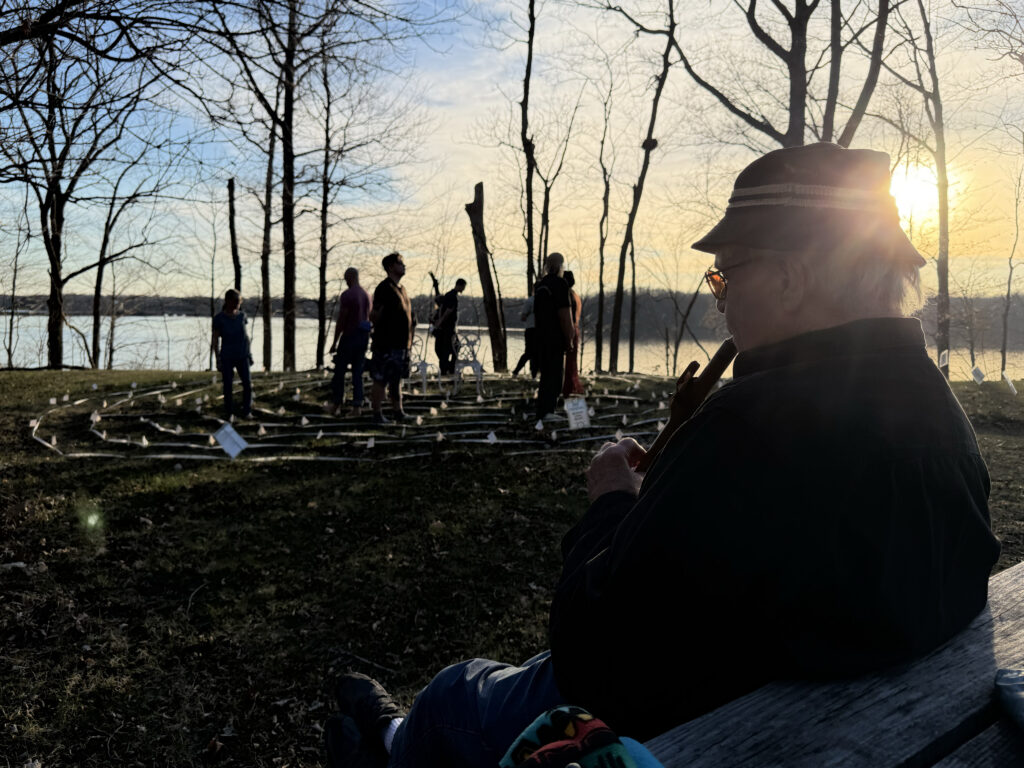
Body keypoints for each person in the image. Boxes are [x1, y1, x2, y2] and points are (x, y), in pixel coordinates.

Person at [325, 143, 1000, 767]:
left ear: (791, 280)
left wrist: (611, 500)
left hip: (687, 711)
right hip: (810, 684)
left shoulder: (754, 424)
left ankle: (383, 746)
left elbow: (590, 649)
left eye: (727, 278)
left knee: (454, 695)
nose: (724, 303)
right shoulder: (930, 402)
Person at [368, 252, 415, 424]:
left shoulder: (402, 289)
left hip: (402, 345)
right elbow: (374, 315)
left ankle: (398, 411)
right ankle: (377, 414)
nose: (404, 266)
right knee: (381, 378)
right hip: (386, 344)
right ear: (390, 267)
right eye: (400, 263)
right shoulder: (384, 288)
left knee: (396, 379)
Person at [532, 252, 574, 420]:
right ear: (560, 266)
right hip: (555, 338)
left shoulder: (540, 286)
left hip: (540, 336)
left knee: (545, 375)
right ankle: (549, 411)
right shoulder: (560, 285)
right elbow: (565, 315)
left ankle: (543, 410)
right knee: (555, 376)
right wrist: (569, 338)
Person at [328, 267, 372, 416]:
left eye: (346, 278)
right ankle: (357, 407)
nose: (345, 281)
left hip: (350, 336)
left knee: (339, 371)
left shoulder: (348, 295)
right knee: (357, 372)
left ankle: (336, 404)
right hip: (363, 337)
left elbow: (342, 319)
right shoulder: (367, 295)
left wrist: (335, 342)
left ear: (351, 277)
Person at [210, 288, 253, 420]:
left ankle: (247, 411)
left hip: (242, 355)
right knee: (228, 385)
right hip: (227, 356)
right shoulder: (219, 319)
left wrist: (249, 353)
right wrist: (217, 359)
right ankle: (229, 412)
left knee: (247, 383)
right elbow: (215, 340)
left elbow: (245, 336)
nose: (237, 304)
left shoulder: (242, 316)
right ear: (228, 301)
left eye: (239, 302)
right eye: (235, 301)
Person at [433, 278, 466, 375]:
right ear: (459, 285)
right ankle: (448, 368)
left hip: (446, 327)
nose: (463, 289)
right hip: (448, 328)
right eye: (463, 287)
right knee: (449, 348)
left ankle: (448, 368)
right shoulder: (452, 296)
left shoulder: (450, 295)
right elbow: (448, 311)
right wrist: (440, 321)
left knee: (451, 347)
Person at [561, 270, 584, 396]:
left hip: (568, 329)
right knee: (571, 360)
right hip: (575, 330)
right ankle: (569, 386)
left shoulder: (567, 295)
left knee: (567, 360)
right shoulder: (575, 295)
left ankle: (567, 387)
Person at [511, 295, 538, 379]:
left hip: (531, 329)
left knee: (529, 353)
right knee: (536, 354)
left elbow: (523, 317)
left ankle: (516, 372)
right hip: (541, 330)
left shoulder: (530, 301)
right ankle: (534, 374)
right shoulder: (546, 300)